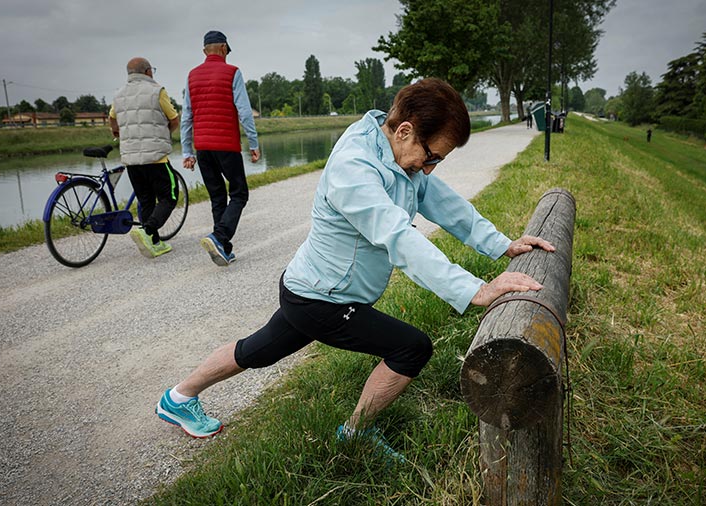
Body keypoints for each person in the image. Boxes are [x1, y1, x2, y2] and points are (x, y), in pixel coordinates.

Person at [156, 78, 555, 460]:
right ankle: (355, 434)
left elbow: (445, 203)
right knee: (411, 348)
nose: (430, 168)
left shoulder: (401, 159)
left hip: (308, 287)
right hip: (322, 299)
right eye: (431, 156)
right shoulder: (355, 167)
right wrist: (474, 290)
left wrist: (502, 244)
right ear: (404, 131)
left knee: (256, 351)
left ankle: (178, 397)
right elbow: (398, 236)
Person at [181, 30, 261, 267]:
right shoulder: (232, 72)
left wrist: (187, 151)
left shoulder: (192, 75)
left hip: (203, 147)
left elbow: (187, 116)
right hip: (226, 146)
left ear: (205, 51)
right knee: (239, 193)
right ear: (224, 48)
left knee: (217, 196)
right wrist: (253, 144)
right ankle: (219, 236)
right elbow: (245, 112)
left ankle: (223, 249)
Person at [110, 57, 180, 258]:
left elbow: (112, 119)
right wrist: (164, 134)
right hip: (156, 157)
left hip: (132, 159)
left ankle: (155, 242)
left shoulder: (119, 94)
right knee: (169, 196)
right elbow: (173, 119)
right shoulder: (157, 91)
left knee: (146, 199)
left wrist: (118, 133)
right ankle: (147, 230)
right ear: (148, 72)